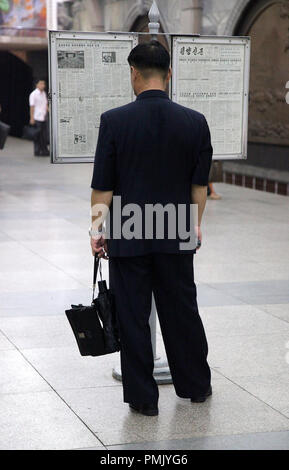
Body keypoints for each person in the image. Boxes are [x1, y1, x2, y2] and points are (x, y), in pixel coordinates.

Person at [90, 41, 213, 417]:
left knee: (132, 313)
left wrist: (97, 230)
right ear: (169, 74)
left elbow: (103, 187)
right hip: (176, 225)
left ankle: (143, 398)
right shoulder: (195, 122)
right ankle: (195, 386)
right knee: (182, 309)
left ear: (133, 72)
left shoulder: (114, 120)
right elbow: (198, 186)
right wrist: (194, 224)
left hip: (128, 227)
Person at [29, 79, 49, 156]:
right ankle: (37, 151)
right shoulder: (33, 94)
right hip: (37, 117)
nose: (43, 85)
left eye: (43, 84)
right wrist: (32, 118)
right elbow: (32, 107)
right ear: (36, 85)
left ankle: (44, 151)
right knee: (37, 135)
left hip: (43, 117)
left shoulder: (44, 93)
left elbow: (45, 104)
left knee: (44, 135)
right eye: (41, 84)